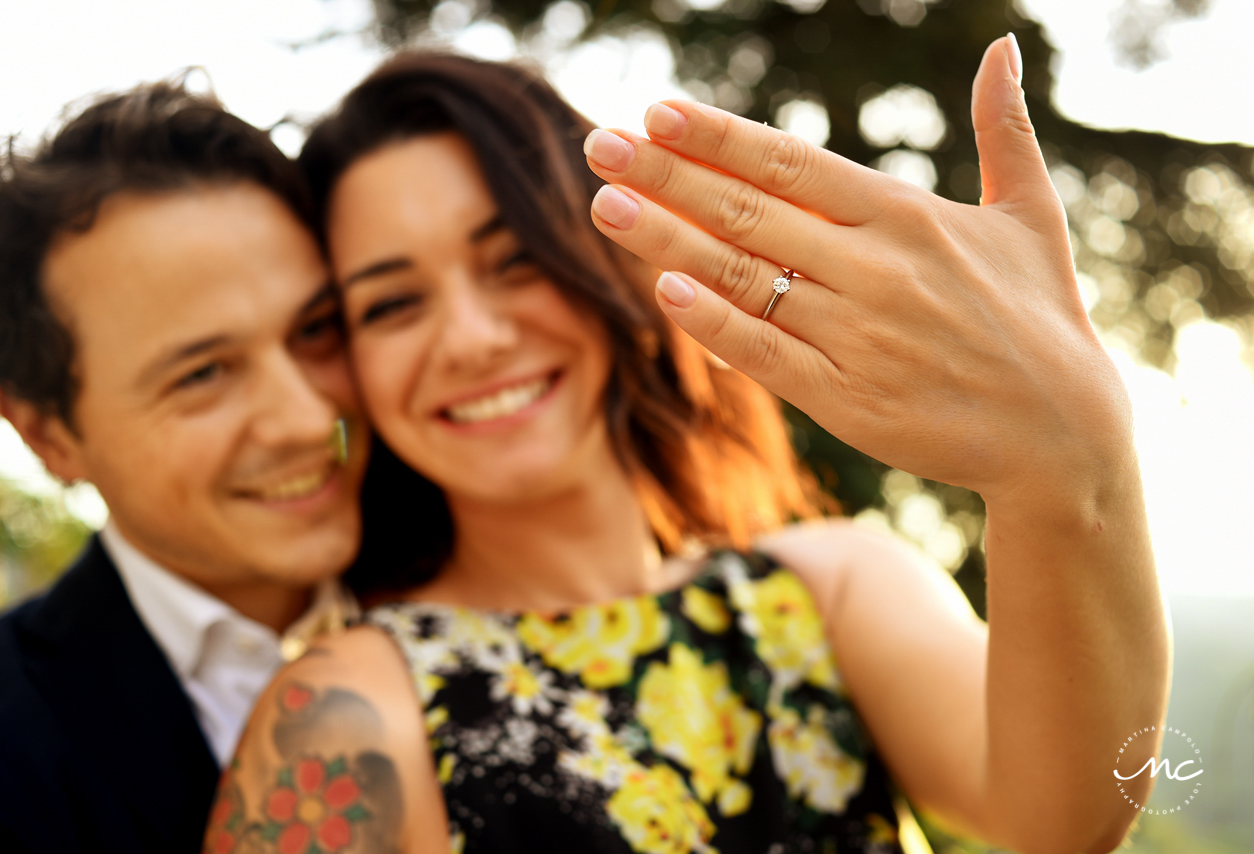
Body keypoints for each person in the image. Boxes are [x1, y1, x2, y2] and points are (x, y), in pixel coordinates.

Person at [210, 42, 1168, 854]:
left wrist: (1074, 467)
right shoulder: (339, 721)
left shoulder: (827, 590)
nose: (469, 338)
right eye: (392, 303)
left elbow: (1066, 813)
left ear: (611, 264)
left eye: (514, 260)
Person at [0, 81, 370, 854]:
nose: (308, 420)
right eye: (202, 374)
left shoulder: (502, 559)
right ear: (46, 436)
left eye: (315, 328)